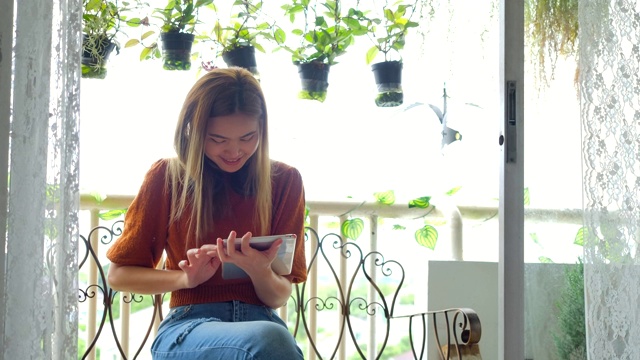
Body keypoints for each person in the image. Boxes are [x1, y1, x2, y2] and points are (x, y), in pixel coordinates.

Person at [106, 67, 307, 360]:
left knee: (271, 339)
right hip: (189, 326)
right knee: (273, 341)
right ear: (194, 130)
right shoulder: (167, 176)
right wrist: (185, 280)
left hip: (262, 324)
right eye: (218, 139)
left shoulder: (285, 181)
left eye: (248, 137)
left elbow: (278, 296)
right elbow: (119, 276)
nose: (234, 151)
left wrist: (259, 269)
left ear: (262, 129)